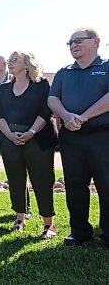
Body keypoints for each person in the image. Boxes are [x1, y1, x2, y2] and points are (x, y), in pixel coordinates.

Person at [48, 27, 109, 248]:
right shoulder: (64, 72)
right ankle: (80, 231)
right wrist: (65, 115)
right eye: (70, 42)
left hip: (103, 137)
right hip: (71, 139)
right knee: (74, 185)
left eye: (78, 41)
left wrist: (83, 117)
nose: (73, 45)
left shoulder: (106, 67)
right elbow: (53, 98)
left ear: (96, 42)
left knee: (106, 185)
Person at [0, 51, 57, 239]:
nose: (10, 63)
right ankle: (20, 218)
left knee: (42, 180)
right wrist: (10, 135)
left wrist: (31, 132)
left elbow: (46, 111)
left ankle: (49, 224)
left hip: (38, 138)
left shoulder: (41, 85)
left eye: (15, 60)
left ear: (27, 63)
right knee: (15, 179)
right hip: (10, 138)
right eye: (9, 60)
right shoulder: (4, 88)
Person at [0, 56, 32, 219]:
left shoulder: (16, 81)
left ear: (4, 65)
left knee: (17, 170)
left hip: (11, 131)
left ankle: (24, 208)